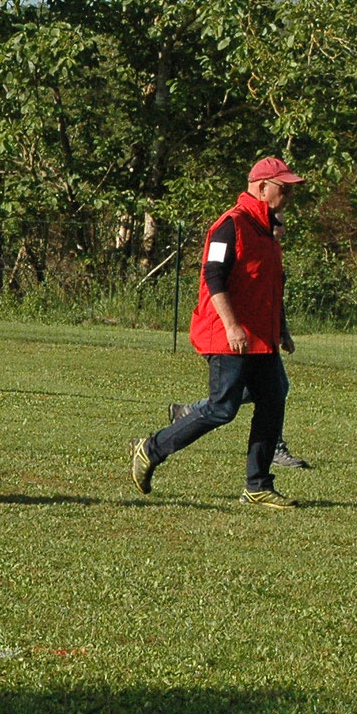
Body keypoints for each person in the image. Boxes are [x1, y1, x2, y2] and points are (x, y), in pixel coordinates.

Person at [132, 156, 305, 508]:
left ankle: (257, 485)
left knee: (273, 400)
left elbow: (270, 285)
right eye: (283, 188)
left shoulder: (267, 230)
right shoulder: (231, 224)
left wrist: (282, 329)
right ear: (261, 187)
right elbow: (213, 277)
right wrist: (231, 325)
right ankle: (151, 449)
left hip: (261, 337)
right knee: (222, 408)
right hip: (229, 335)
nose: (288, 196)